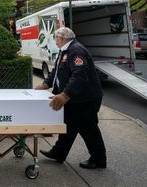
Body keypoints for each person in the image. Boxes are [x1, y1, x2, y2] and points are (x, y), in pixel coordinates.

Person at [35, 27, 106, 169]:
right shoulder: (66, 51)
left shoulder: (76, 51)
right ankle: (58, 153)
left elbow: (79, 76)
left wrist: (64, 95)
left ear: (61, 38)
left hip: (85, 99)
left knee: (88, 128)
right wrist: (45, 84)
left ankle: (98, 159)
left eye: (55, 38)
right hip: (76, 99)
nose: (54, 40)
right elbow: (56, 72)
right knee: (69, 125)